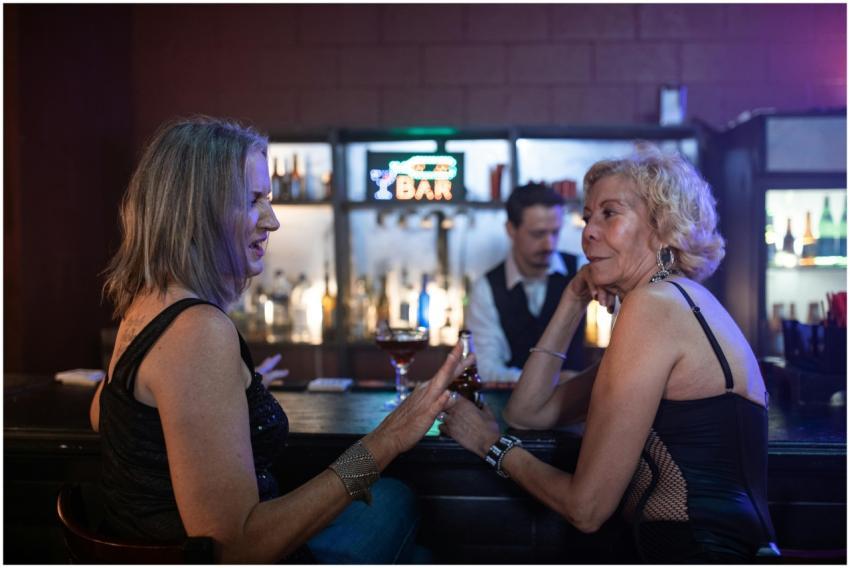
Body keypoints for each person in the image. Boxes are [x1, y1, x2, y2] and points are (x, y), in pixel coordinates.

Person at [89, 116, 472, 563]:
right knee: (402, 503)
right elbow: (238, 547)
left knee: (406, 530)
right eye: (254, 201)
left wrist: (223, 394)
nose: (271, 221)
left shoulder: (146, 304)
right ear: (195, 210)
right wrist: (389, 438)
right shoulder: (197, 330)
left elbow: (104, 412)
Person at [441, 146, 777, 563]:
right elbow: (527, 412)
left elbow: (587, 508)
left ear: (662, 227)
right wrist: (573, 298)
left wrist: (489, 444)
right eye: (587, 217)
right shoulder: (680, 300)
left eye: (609, 214)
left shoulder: (654, 306)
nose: (587, 232)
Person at [467, 183, 585, 383]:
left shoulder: (582, 270)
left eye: (555, 232)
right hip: (509, 409)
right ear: (511, 229)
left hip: (574, 409)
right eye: (538, 234)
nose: (549, 244)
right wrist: (551, 382)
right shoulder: (486, 289)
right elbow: (485, 369)